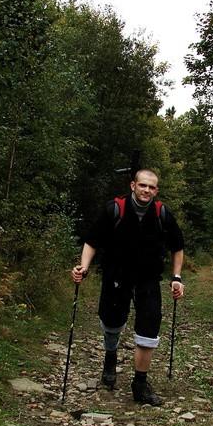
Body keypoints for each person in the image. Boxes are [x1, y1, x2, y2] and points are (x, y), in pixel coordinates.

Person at [71, 169, 184, 406]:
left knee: (149, 328)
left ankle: (140, 384)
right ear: (133, 185)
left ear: (157, 190)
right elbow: (92, 241)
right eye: (143, 185)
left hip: (148, 277)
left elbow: (177, 246)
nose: (147, 191)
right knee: (112, 322)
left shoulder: (162, 213)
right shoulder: (114, 209)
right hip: (116, 274)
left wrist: (176, 277)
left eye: (152, 187)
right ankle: (110, 357)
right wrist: (83, 267)